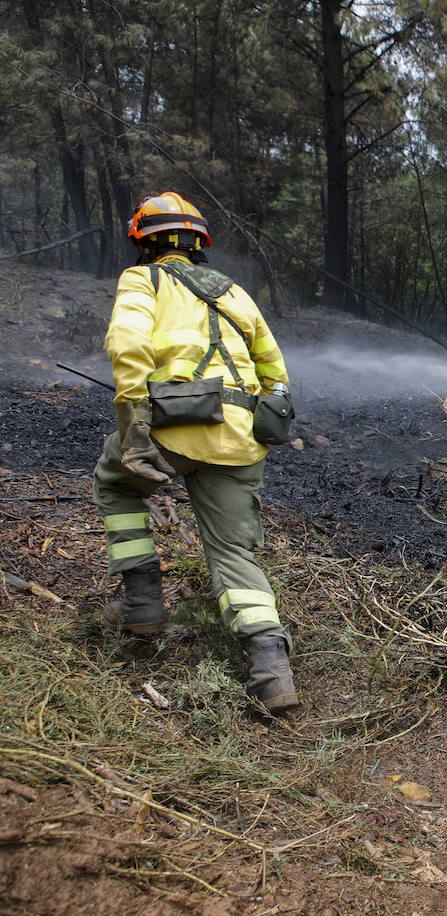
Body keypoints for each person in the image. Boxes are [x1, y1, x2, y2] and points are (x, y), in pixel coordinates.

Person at [94, 191, 300, 714]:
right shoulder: (234, 293)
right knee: (233, 551)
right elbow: (274, 374)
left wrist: (136, 431)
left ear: (142, 241)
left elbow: (128, 346)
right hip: (239, 439)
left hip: (172, 432)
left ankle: (142, 605)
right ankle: (271, 669)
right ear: (198, 244)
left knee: (116, 482)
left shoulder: (144, 280)